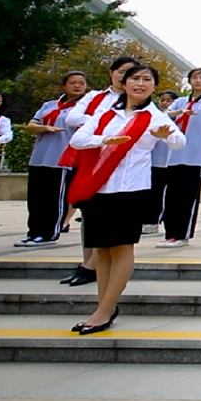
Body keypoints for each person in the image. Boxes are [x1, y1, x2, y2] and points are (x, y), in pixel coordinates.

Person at [64, 63, 184, 333]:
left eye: (146, 80)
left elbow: (179, 142)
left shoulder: (156, 116)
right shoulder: (108, 113)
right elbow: (78, 139)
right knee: (102, 250)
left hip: (131, 189)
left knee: (121, 248)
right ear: (124, 83)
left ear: (153, 86)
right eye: (135, 79)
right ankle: (104, 304)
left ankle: (105, 309)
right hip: (99, 187)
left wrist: (163, 136)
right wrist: (106, 140)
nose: (140, 84)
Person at [59, 56, 137, 287]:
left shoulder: (137, 100)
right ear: (112, 73)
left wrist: (98, 124)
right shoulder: (96, 97)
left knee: (108, 214)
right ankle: (87, 264)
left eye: (131, 73)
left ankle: (91, 266)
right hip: (90, 157)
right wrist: (101, 122)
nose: (125, 77)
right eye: (122, 72)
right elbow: (72, 118)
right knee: (88, 211)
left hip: (120, 162)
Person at [157, 69, 201, 248]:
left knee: (188, 196)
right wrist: (180, 112)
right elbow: (164, 116)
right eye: (194, 78)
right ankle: (170, 234)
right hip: (174, 155)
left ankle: (183, 234)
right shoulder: (180, 102)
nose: (198, 81)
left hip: (196, 155)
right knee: (171, 196)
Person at [19, 72, 89, 246]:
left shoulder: (86, 108)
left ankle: (49, 233)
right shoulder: (49, 105)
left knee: (55, 198)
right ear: (64, 85)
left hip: (62, 159)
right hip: (40, 157)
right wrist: (45, 128)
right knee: (36, 199)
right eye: (73, 82)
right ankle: (33, 232)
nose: (77, 86)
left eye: (81, 83)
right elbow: (31, 125)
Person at [140, 89, 178, 236]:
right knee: (149, 192)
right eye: (162, 100)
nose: (165, 103)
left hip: (166, 162)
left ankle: (154, 221)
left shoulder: (175, 118)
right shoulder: (154, 116)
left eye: (169, 101)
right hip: (151, 161)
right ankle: (145, 220)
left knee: (159, 193)